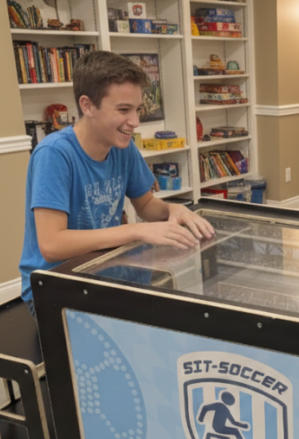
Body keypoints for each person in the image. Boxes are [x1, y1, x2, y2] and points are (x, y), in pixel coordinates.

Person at [19, 51, 215, 316]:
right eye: (123, 110)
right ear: (88, 106)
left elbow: (145, 204)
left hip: (104, 269)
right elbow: (52, 245)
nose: (134, 121)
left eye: (137, 110)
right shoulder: (54, 154)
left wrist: (173, 210)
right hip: (54, 287)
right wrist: (135, 231)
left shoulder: (122, 146)